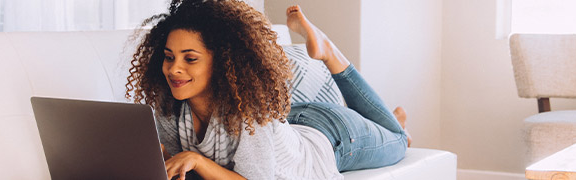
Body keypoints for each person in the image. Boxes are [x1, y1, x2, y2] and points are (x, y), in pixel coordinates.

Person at [126, 1, 410, 179]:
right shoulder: (170, 105)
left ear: (222, 63)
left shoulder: (249, 112)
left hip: (331, 138)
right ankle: (389, 120)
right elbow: (181, 170)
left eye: (190, 59)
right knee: (391, 128)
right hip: (290, 121)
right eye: (168, 56)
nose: (174, 69)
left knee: (398, 140)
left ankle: (330, 53)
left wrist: (197, 160)